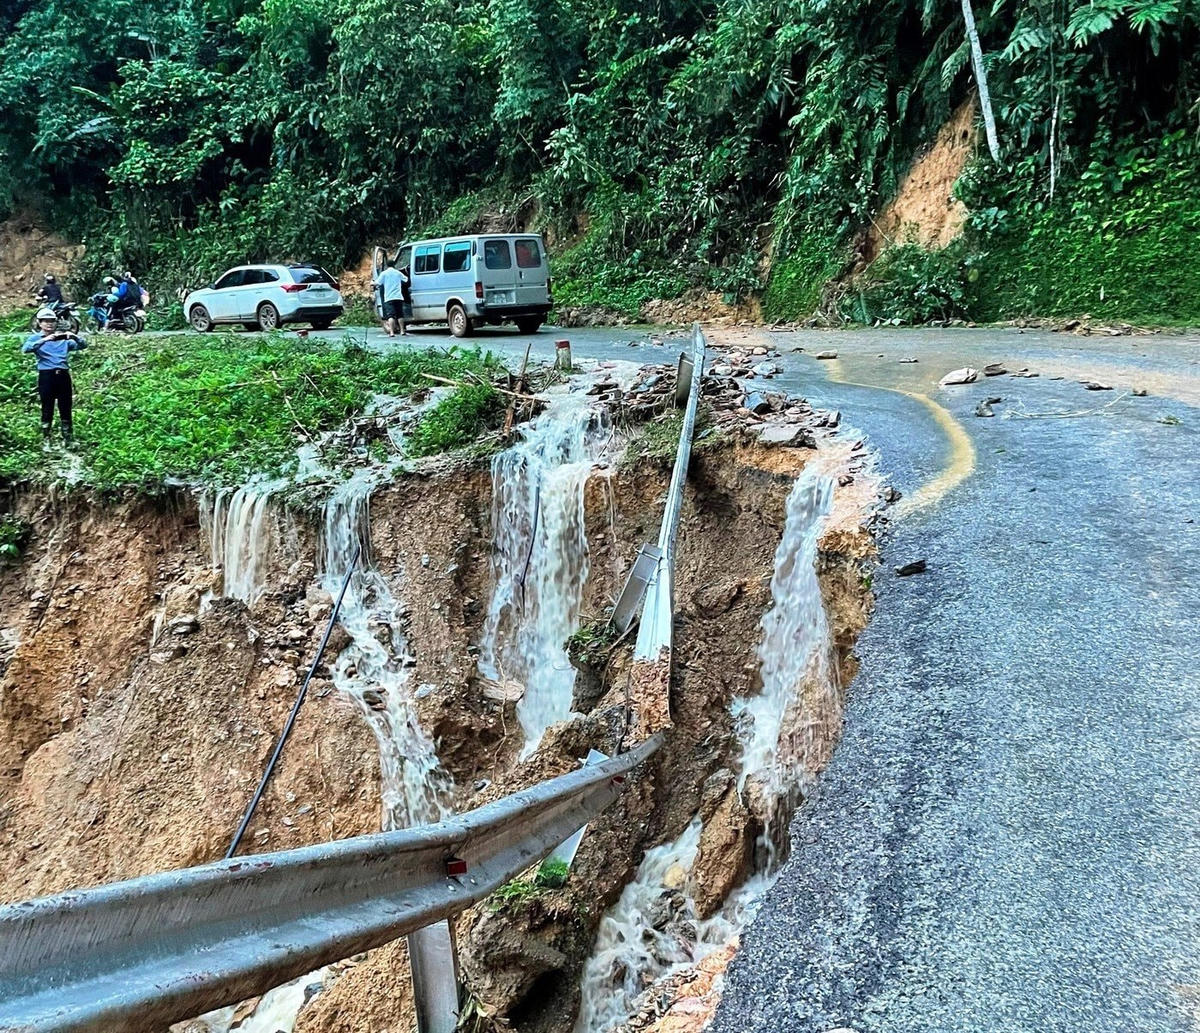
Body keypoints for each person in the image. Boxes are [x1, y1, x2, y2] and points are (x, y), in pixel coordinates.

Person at [23, 307, 87, 447]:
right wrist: (45, 340)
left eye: (52, 321)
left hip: (63, 374)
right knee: (47, 406)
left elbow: (83, 345)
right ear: (39, 323)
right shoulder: (35, 338)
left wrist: (74, 336)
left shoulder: (61, 339)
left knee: (66, 406)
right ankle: (46, 438)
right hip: (46, 376)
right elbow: (26, 349)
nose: (49, 324)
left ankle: (68, 439)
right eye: (45, 321)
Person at [373, 259, 409, 338]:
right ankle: (402, 331)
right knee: (400, 315)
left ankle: (392, 332)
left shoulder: (384, 273)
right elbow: (406, 280)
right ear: (394, 265)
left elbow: (377, 283)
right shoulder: (398, 273)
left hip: (389, 297)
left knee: (391, 316)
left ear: (387, 265)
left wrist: (372, 283)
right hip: (398, 297)